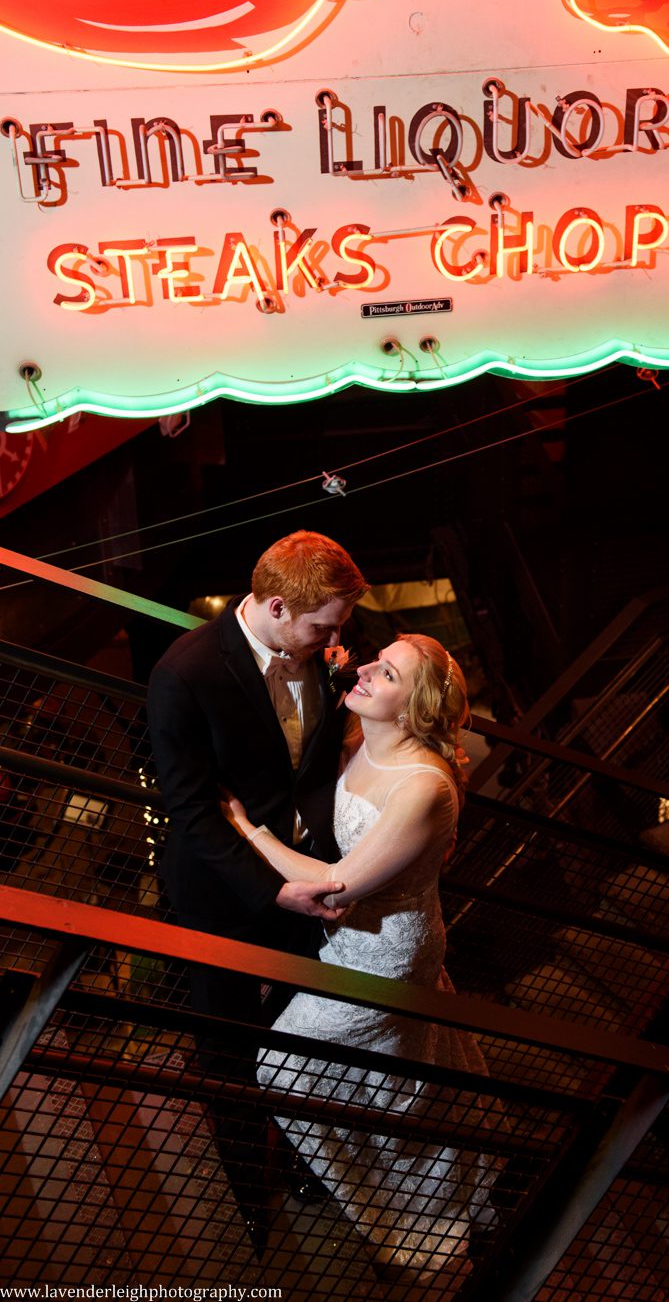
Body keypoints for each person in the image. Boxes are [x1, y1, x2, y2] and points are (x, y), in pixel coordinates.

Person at [226, 634, 499, 1273]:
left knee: (281, 1065)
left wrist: (242, 829)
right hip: (343, 938)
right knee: (391, 1087)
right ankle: (449, 1193)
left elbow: (331, 885)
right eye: (377, 659)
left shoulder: (425, 788)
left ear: (412, 710)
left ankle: (389, 1220)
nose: (368, 669)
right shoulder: (362, 741)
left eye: (389, 674)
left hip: (387, 957)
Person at [146, 528, 368, 1250]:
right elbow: (190, 808)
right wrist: (269, 891)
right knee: (228, 1048)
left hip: (306, 876)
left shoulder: (322, 658)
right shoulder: (186, 672)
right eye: (325, 626)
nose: (338, 639)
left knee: (311, 1037)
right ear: (277, 606)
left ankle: (311, 1159)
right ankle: (250, 1189)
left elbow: (306, 767)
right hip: (222, 893)